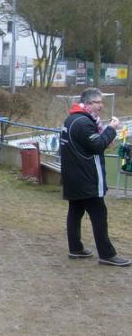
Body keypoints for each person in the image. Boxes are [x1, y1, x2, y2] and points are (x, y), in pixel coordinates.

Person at [60, 87, 130, 267]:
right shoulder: (83, 123)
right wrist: (111, 129)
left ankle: (75, 248)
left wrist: (105, 133)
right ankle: (107, 255)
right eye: (98, 102)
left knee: (75, 211)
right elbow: (97, 145)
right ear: (88, 104)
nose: (101, 106)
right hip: (87, 178)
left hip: (74, 177)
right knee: (99, 215)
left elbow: (89, 144)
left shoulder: (71, 119)